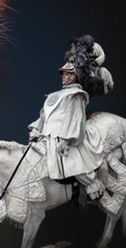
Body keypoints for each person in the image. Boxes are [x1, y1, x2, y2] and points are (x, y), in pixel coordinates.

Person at [28, 35, 114, 200]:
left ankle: (91, 184)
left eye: (68, 74)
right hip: (46, 137)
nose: (64, 76)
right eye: (63, 74)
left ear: (76, 76)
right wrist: (36, 130)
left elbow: (75, 119)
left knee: (67, 162)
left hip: (63, 139)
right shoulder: (53, 95)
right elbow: (43, 115)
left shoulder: (77, 95)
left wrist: (66, 140)